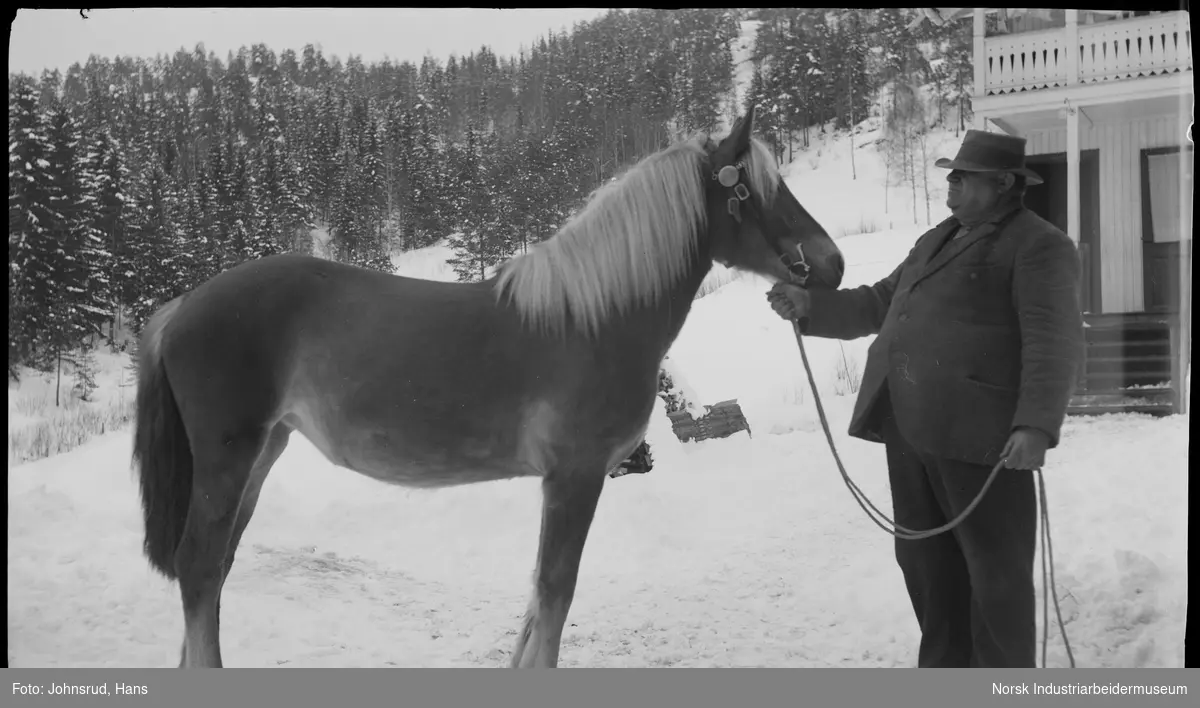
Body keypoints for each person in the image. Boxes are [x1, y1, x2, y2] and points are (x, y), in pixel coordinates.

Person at [767, 129, 1085, 668]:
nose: (951, 184)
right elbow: (880, 303)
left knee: (994, 574)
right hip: (911, 428)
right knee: (926, 566)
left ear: (1004, 183)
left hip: (984, 441)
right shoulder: (936, 238)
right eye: (950, 174)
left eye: (964, 176)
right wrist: (809, 305)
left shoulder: (1040, 245)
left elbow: (1053, 342)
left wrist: (1035, 425)